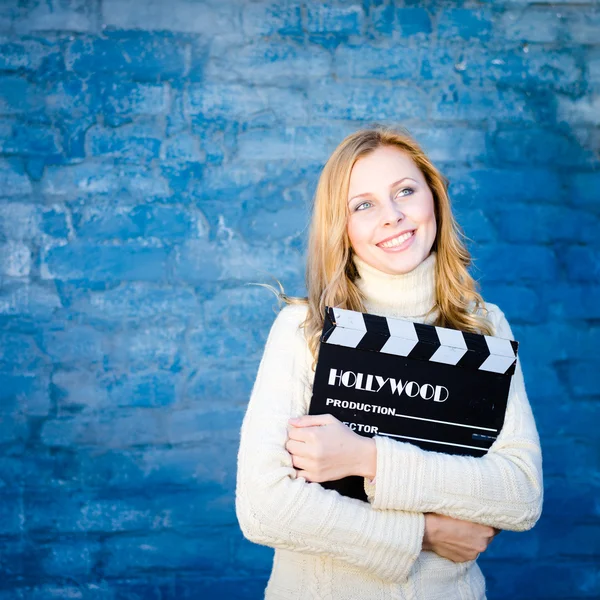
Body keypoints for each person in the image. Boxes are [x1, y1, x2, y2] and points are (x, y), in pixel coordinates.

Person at [235, 127, 543, 600]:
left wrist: (365, 457)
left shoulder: (485, 327)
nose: (393, 217)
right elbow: (264, 506)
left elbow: (519, 493)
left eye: (405, 191)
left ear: (433, 199)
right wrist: (425, 533)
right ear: (342, 227)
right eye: (364, 205)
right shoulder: (304, 328)